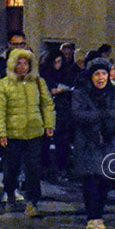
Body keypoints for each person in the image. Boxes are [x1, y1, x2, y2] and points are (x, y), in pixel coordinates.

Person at [0, 48, 56, 218]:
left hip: (34, 133)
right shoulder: (5, 84)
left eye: (26, 63)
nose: (22, 67)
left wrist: (49, 124)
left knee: (34, 169)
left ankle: (32, 201)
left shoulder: (38, 82)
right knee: (11, 168)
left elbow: (47, 104)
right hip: (13, 134)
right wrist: (1, 132)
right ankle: (10, 192)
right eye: (19, 63)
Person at [72, 58, 115, 229]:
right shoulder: (81, 92)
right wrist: (104, 114)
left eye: (104, 73)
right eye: (97, 74)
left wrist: (111, 126)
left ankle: (99, 215)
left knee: (105, 180)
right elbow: (78, 114)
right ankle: (93, 217)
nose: (101, 77)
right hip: (88, 142)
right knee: (90, 180)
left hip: (109, 141)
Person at [40, 49, 75, 180]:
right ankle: (44, 168)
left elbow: (71, 88)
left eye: (60, 61)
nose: (57, 64)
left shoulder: (66, 73)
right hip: (47, 110)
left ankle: (62, 168)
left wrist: (63, 91)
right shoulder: (45, 74)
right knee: (45, 141)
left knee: (62, 141)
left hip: (62, 111)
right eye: (55, 62)